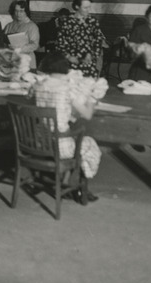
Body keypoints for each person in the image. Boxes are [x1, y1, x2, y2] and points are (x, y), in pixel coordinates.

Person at [33, 52, 104, 204]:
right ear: (65, 70)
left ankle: (66, 180)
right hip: (60, 146)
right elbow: (88, 114)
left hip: (39, 142)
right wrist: (93, 98)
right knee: (89, 143)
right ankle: (76, 185)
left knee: (70, 133)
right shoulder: (67, 89)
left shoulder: (38, 85)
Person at [56, 0, 106, 78]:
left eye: (89, 7)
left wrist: (92, 55)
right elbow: (59, 44)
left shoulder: (93, 21)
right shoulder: (66, 23)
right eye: (85, 8)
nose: (88, 10)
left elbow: (98, 41)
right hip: (71, 64)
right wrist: (68, 57)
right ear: (76, 7)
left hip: (88, 63)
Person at [4, 0, 40, 70]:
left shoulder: (32, 26)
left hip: (27, 62)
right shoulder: (9, 26)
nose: (18, 14)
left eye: (21, 11)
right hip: (12, 62)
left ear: (26, 12)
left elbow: (35, 45)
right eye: (16, 11)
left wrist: (19, 49)